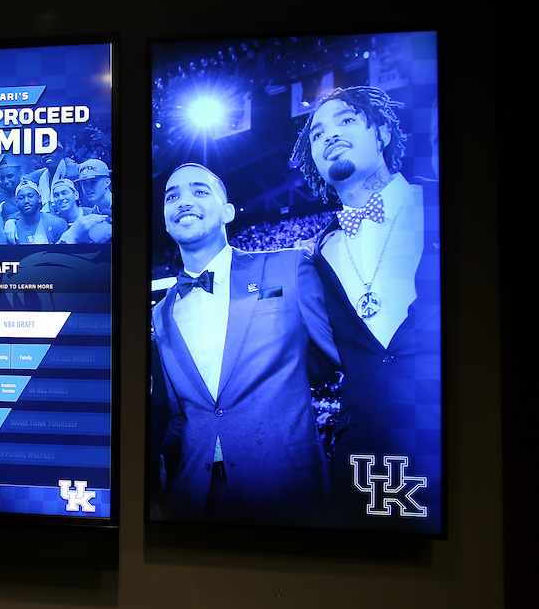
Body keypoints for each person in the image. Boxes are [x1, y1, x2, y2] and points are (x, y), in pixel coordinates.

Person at [150, 163, 338, 526]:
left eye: (200, 191)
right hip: (193, 498)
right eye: (172, 196)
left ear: (228, 211)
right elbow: (178, 415)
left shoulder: (288, 269)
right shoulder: (162, 312)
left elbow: (335, 357)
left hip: (286, 488)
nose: (183, 201)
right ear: (166, 221)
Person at [291, 85, 440, 528]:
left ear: (382, 134)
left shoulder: (441, 204)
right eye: (317, 135)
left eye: (347, 120)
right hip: (364, 454)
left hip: (449, 436)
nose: (329, 136)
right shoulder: (318, 254)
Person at [4, 180, 68, 244]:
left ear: (39, 198)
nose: (26, 201)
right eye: (21, 198)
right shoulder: (13, 230)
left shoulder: (57, 223)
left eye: (30, 196)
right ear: (16, 202)